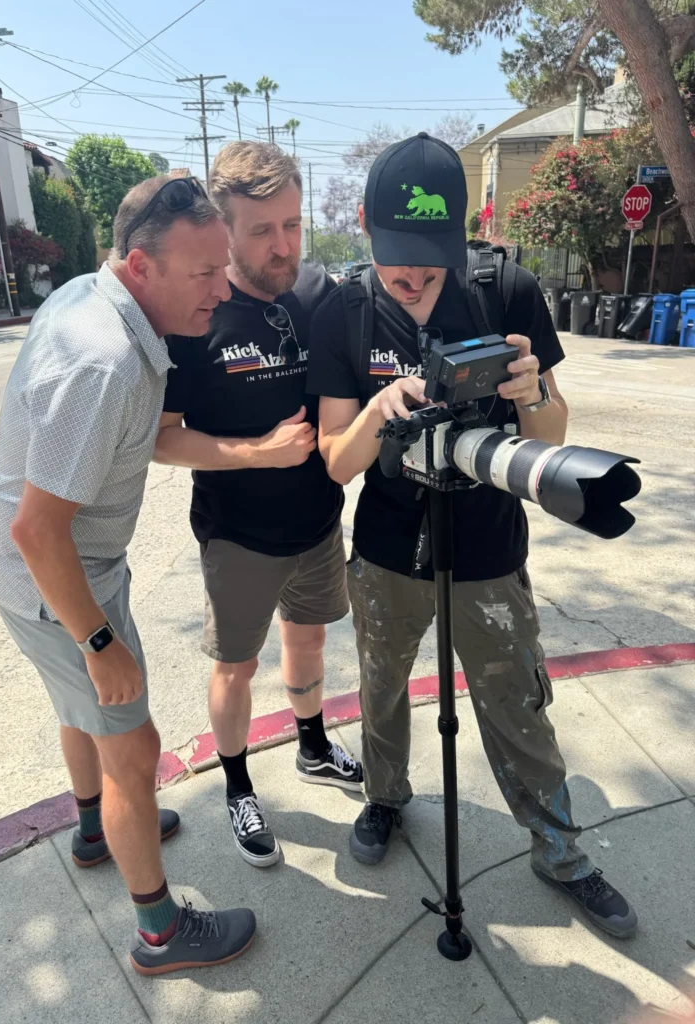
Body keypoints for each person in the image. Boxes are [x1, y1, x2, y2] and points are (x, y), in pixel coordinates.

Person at [307, 133, 638, 939]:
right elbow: (332, 461)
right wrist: (384, 412)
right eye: (396, 257)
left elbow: (553, 429)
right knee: (382, 687)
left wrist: (530, 391)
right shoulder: (343, 310)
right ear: (365, 225)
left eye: (431, 256)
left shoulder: (506, 289)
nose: (414, 276)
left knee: (517, 702)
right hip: (387, 548)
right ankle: (385, 797)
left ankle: (560, 850)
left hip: (490, 543)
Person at [0, 174, 257, 975]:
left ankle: (96, 828)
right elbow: (38, 531)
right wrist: (100, 640)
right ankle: (162, 933)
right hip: (61, 583)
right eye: (204, 274)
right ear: (140, 266)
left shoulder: (94, 298)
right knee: (134, 749)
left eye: (224, 268)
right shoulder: (103, 362)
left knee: (83, 715)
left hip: (50, 573)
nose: (223, 289)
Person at [155, 141, 362, 868]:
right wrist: (254, 453)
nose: (284, 247)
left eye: (293, 226)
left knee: (308, 642)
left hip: (317, 522)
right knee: (236, 667)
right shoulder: (198, 311)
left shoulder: (321, 295)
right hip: (237, 534)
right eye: (262, 231)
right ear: (226, 230)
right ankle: (238, 785)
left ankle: (311, 746)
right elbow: (163, 440)